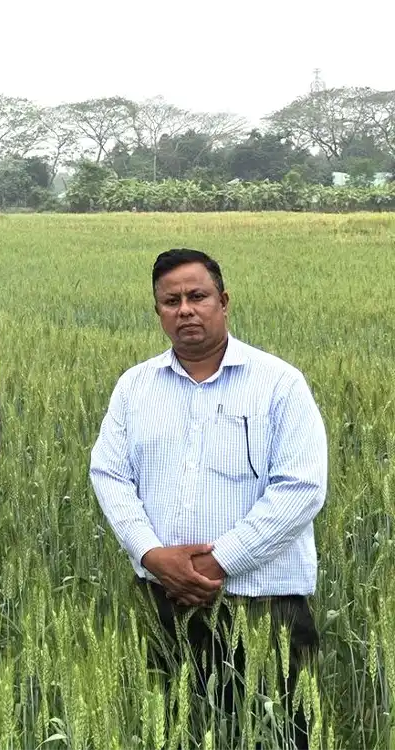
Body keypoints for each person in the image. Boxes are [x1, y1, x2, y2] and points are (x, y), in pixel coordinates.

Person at [89, 248, 327, 749]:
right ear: (158, 312)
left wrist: (217, 563)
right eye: (170, 300)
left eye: (197, 296)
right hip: (165, 603)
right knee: (176, 734)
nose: (185, 310)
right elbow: (109, 474)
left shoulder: (278, 384)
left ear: (224, 300)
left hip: (266, 607)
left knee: (277, 735)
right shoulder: (135, 387)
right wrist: (153, 556)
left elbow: (300, 489)